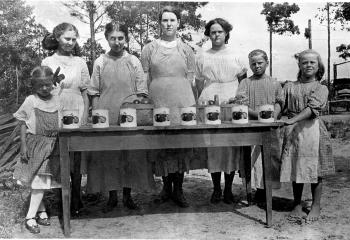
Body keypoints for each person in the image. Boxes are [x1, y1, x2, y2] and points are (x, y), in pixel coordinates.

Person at [87, 22, 155, 212]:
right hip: (106, 113)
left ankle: (127, 196)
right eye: (113, 38)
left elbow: (142, 92)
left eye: (120, 38)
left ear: (126, 39)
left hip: (130, 114)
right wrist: (96, 116)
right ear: (107, 39)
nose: (117, 42)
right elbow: (94, 92)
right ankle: (112, 197)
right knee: (109, 156)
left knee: (130, 155)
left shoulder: (133, 61)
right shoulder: (100, 61)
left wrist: (138, 112)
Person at [141, 6, 199, 208]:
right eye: (164, 20)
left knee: (181, 143)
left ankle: (179, 190)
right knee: (162, 145)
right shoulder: (149, 48)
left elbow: (192, 78)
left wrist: (190, 103)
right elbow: (144, 77)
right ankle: (165, 188)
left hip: (182, 100)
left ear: (178, 23)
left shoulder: (186, 49)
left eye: (172, 20)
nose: (168, 24)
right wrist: (148, 100)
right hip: (158, 100)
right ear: (159, 23)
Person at [195, 18, 247, 204]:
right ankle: (216, 188)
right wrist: (199, 103)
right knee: (214, 146)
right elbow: (199, 82)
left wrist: (239, 100)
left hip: (231, 98)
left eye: (220, 31)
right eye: (213, 32)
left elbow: (243, 81)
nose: (216, 35)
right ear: (208, 34)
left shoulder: (236, 54)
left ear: (226, 34)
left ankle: (229, 189)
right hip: (209, 98)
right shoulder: (202, 55)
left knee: (230, 145)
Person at [279, 49, 335, 222]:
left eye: (312, 62)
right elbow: (280, 103)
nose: (308, 65)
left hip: (314, 131)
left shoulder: (321, 88)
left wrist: (292, 120)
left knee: (315, 170)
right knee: (297, 167)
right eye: (305, 62)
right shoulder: (290, 86)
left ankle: (316, 205)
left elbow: (312, 109)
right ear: (299, 65)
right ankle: (297, 204)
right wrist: (273, 116)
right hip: (294, 132)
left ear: (318, 66)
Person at [41, 22, 90, 215]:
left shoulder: (80, 62)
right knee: (59, 156)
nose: (70, 42)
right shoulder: (48, 62)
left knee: (76, 156)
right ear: (58, 38)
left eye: (73, 39)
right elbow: (43, 92)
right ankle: (63, 198)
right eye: (66, 38)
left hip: (77, 106)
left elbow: (86, 92)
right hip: (56, 108)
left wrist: (85, 116)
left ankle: (77, 197)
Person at [13, 66, 61, 234]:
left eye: (48, 84)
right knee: (37, 180)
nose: (45, 88)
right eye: (40, 85)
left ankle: (36, 214)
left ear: (52, 83)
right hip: (34, 144)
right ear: (34, 85)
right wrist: (24, 145)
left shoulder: (57, 99)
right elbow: (22, 124)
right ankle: (33, 216)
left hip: (52, 145)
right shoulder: (31, 100)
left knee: (41, 180)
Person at [236, 49, 283, 203]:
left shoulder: (274, 82)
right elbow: (241, 104)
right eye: (253, 63)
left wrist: (273, 115)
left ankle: (266, 192)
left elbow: (279, 102)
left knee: (268, 158)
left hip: (269, 127)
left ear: (267, 63)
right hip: (251, 126)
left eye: (260, 63)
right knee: (251, 159)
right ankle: (251, 191)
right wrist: (260, 116)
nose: (257, 66)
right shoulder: (245, 83)